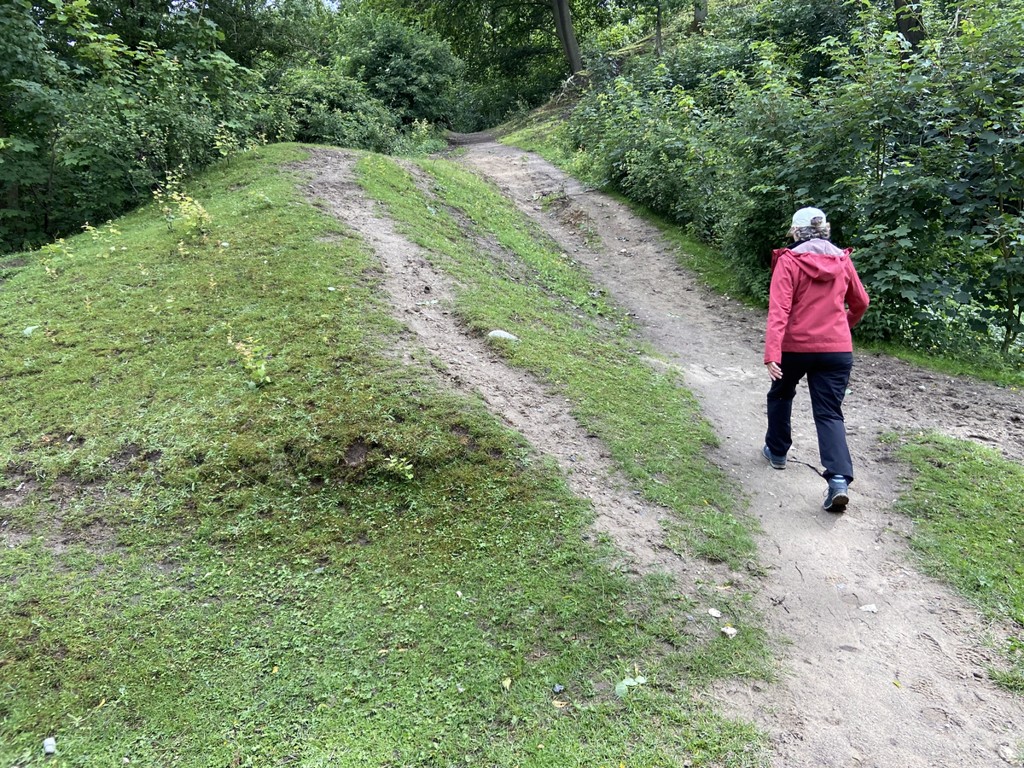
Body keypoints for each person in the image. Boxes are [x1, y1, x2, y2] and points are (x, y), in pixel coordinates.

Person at [762, 207, 870, 512]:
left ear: (796, 232)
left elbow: (779, 310)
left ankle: (777, 451)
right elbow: (861, 302)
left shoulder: (790, 261)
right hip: (836, 349)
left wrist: (772, 353)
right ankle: (837, 480)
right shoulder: (842, 259)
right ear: (825, 230)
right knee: (830, 413)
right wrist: (844, 326)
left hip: (795, 347)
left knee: (781, 393)